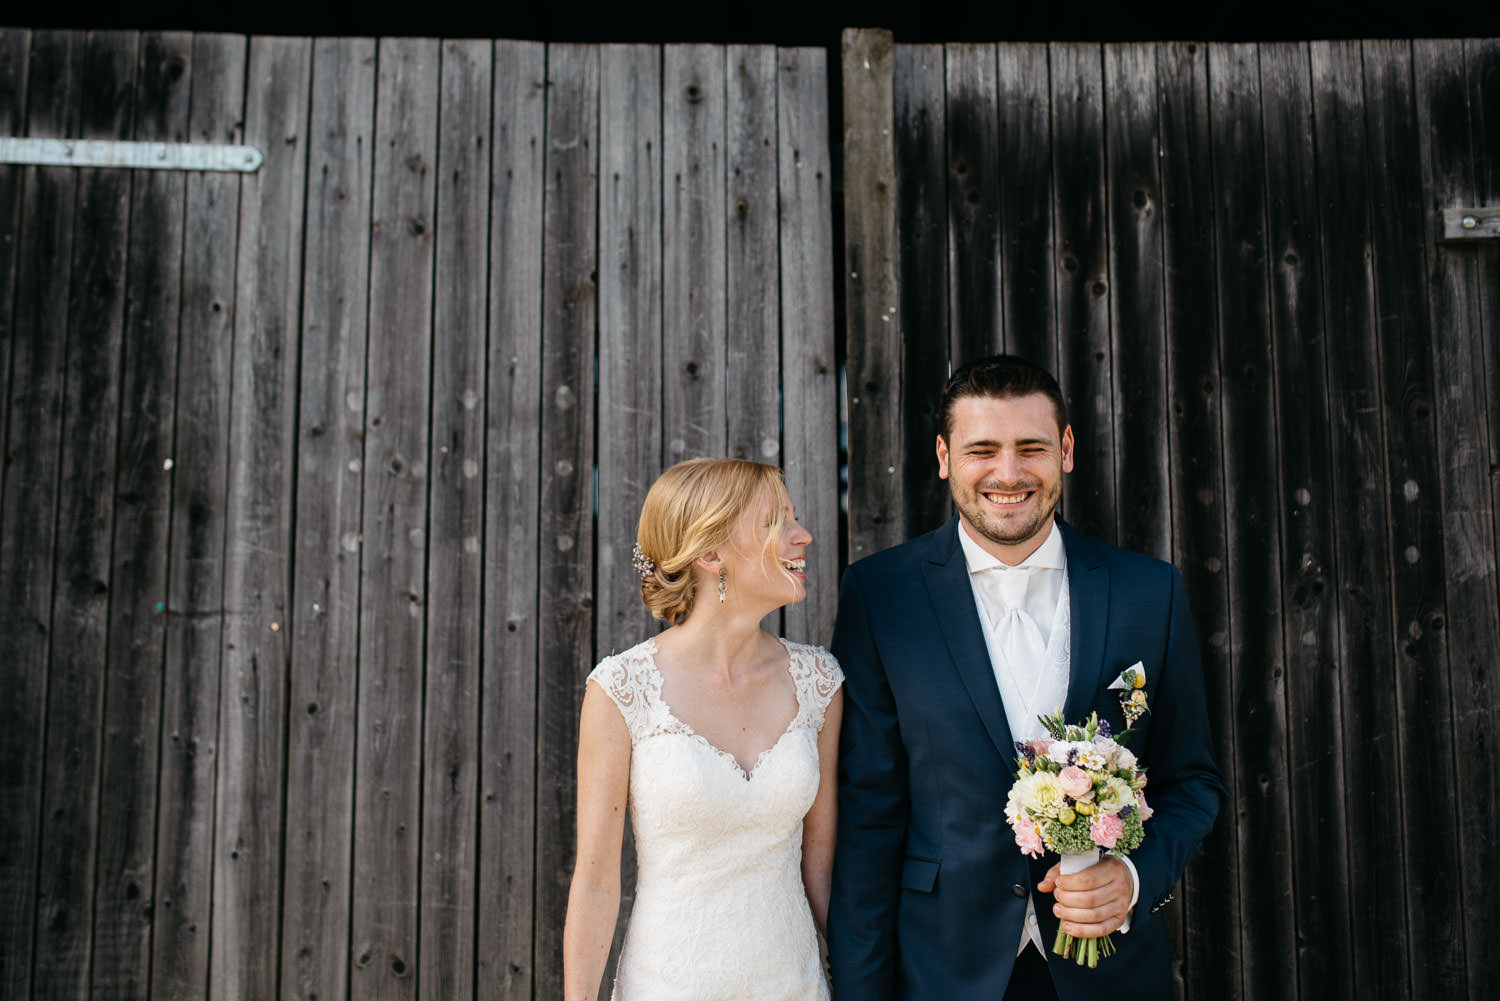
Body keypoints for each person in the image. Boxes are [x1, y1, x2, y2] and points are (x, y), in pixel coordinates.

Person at [827, 355, 1224, 1001]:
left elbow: (1192, 779)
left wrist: (1132, 874)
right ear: (943, 455)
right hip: (942, 970)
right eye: (982, 449)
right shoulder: (881, 595)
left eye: (1030, 447)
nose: (1008, 473)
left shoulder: (1149, 592)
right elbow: (870, 815)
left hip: (1110, 973)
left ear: (1065, 449)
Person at [564, 458, 844, 1001]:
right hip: (666, 983)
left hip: (793, 985)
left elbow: (823, 869)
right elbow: (596, 881)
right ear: (710, 553)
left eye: (793, 518)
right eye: (773, 523)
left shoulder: (820, 682)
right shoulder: (623, 688)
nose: (803, 535)